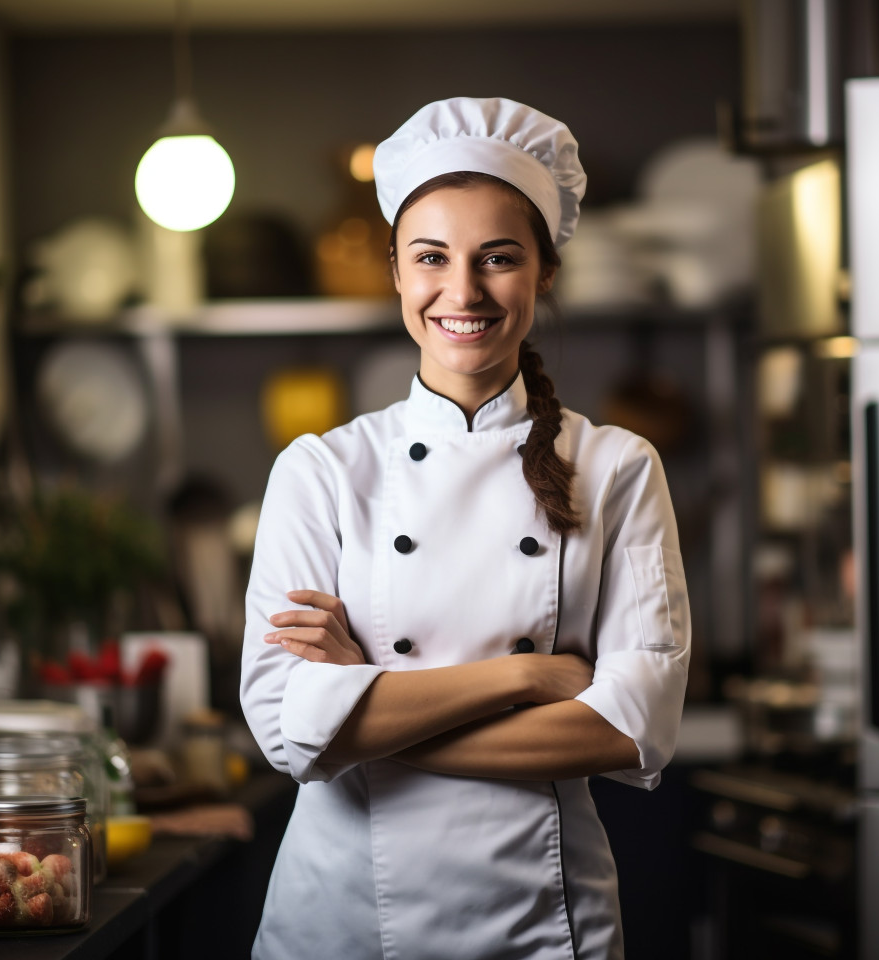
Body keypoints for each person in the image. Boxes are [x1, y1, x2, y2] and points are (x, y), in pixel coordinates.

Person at [240, 96, 690, 960]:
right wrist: (528, 677)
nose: (463, 291)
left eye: (499, 258)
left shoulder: (619, 466)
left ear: (545, 272)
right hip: (345, 922)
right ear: (397, 274)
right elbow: (286, 729)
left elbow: (631, 727)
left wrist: (365, 711)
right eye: (431, 258)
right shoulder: (322, 471)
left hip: (543, 921)